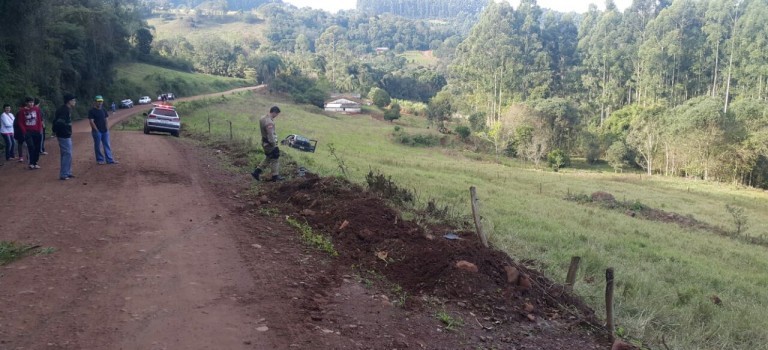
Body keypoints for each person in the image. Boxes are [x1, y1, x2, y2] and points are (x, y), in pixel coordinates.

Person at [251, 106, 283, 182]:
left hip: (264, 141)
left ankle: (256, 172)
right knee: (275, 157)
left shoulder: (263, 118)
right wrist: (274, 145)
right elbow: (270, 135)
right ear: (274, 112)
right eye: (277, 114)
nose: (276, 116)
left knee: (269, 157)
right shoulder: (269, 122)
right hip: (269, 143)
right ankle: (275, 176)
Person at [88, 95, 118, 164]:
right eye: (98, 101)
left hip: (105, 130)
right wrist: (96, 130)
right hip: (97, 131)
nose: (100, 103)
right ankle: (100, 159)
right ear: (95, 102)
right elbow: (91, 121)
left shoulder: (103, 110)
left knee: (107, 144)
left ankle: (109, 159)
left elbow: (106, 119)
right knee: (98, 146)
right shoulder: (92, 111)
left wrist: (107, 128)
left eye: (101, 101)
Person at [52, 94, 76, 180]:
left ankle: (67, 172)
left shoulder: (66, 109)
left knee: (66, 154)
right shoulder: (64, 110)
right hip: (63, 135)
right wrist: (60, 131)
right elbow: (59, 122)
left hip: (65, 134)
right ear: (69, 101)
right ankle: (64, 174)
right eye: (73, 100)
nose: (74, 102)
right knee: (67, 154)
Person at [17, 96, 43, 169]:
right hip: (28, 132)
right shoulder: (22, 111)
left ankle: (35, 162)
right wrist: (24, 131)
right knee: (31, 146)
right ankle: (31, 163)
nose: (31, 104)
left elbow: (39, 120)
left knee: (37, 147)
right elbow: (20, 122)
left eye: (32, 102)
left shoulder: (37, 109)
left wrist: (39, 129)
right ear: (26, 103)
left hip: (37, 131)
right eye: (30, 102)